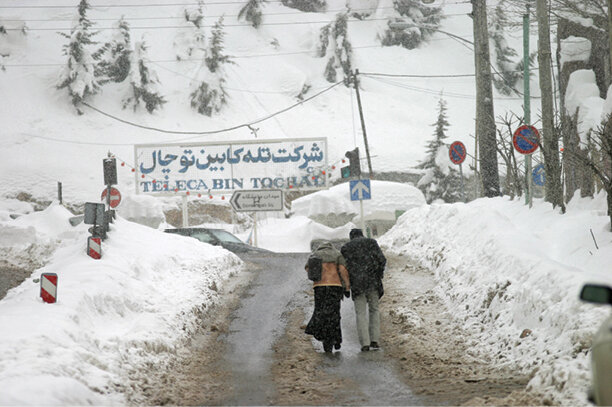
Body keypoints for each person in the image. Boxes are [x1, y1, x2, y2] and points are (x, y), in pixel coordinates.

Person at [341, 228, 386, 352]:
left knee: (360, 313)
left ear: (351, 237)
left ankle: (365, 343)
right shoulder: (371, 243)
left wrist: (347, 284)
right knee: (374, 310)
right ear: (362, 235)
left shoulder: (346, 248)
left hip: (357, 284)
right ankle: (375, 340)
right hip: (373, 282)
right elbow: (382, 260)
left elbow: (343, 268)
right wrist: (378, 273)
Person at [305, 241, 351, 353]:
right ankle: (336, 338)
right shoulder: (337, 254)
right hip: (335, 286)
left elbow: (307, 268)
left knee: (320, 312)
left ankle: (324, 337)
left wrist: (318, 273)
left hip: (319, 287)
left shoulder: (315, 254)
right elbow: (343, 270)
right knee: (334, 314)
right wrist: (347, 286)